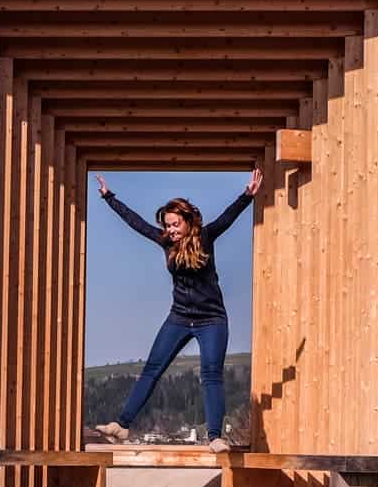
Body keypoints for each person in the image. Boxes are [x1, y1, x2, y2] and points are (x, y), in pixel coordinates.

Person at [92, 167, 262, 452]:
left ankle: (215, 437)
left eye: (173, 224)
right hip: (179, 317)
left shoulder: (206, 237)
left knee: (211, 374)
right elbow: (136, 223)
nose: (169, 230)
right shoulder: (165, 243)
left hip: (212, 320)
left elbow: (228, 218)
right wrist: (110, 198)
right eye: (166, 225)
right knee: (151, 369)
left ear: (188, 221)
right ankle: (121, 425)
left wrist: (247, 196)